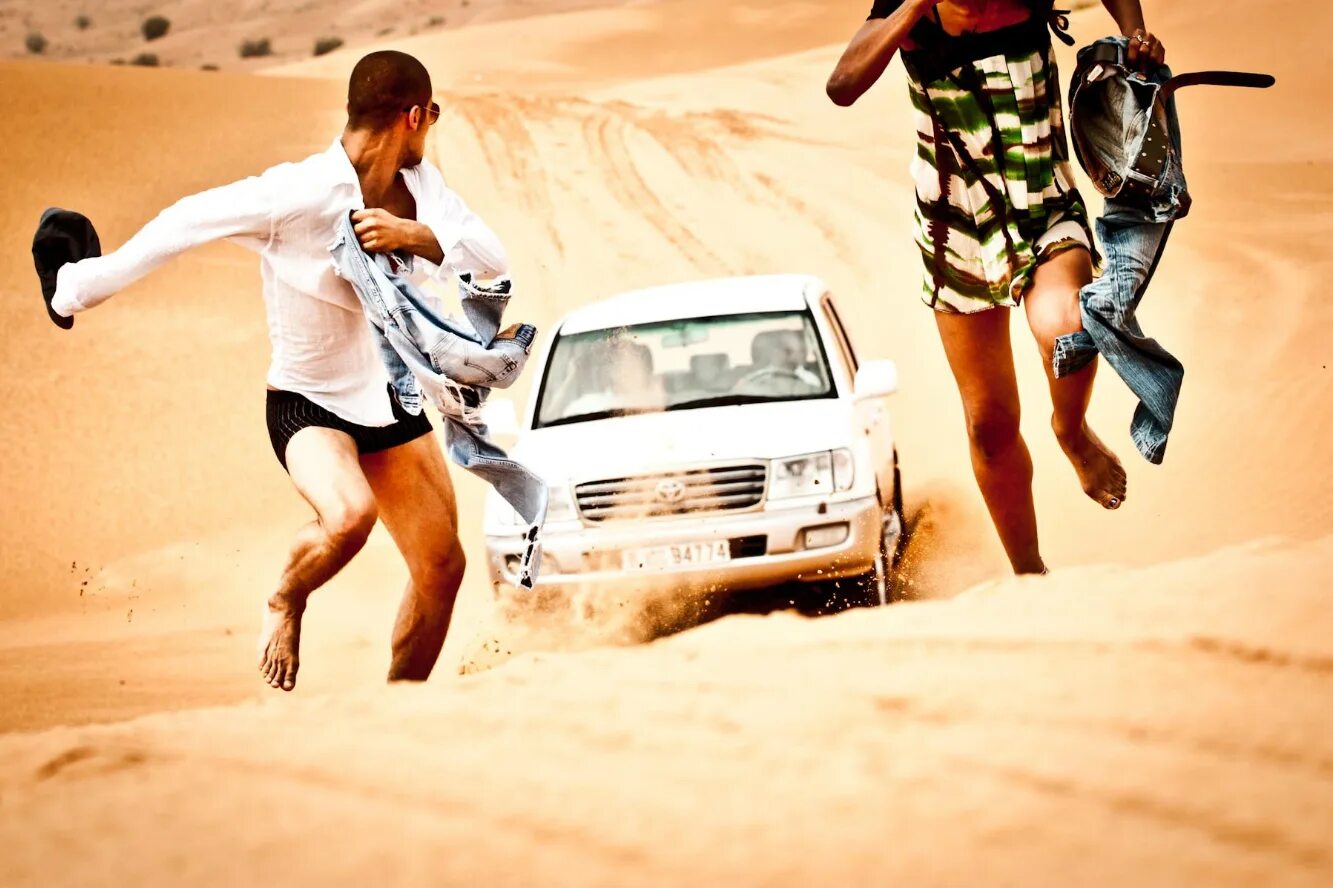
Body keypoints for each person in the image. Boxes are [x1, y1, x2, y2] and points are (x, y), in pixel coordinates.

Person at [41, 51, 507, 690]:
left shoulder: (425, 191)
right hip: (308, 405)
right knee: (348, 519)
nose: (434, 126)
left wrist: (414, 235)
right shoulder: (298, 193)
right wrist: (75, 288)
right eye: (432, 116)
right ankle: (285, 600)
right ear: (412, 115)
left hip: (390, 403)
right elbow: (185, 221)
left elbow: (488, 259)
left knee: (441, 568)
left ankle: (402, 710)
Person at [826, 1, 1166, 574]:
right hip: (952, 220)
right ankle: (1029, 575)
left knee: (1066, 328)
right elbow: (843, 84)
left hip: (1042, 203)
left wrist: (1135, 33)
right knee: (988, 424)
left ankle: (1071, 431)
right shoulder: (913, 12)